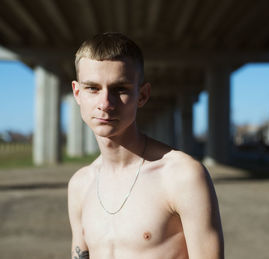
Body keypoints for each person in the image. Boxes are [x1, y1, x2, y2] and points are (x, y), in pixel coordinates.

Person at [68, 32, 224, 259]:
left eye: (120, 89)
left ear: (142, 95)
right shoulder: (80, 185)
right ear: (77, 93)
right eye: (92, 88)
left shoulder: (181, 175)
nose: (105, 104)